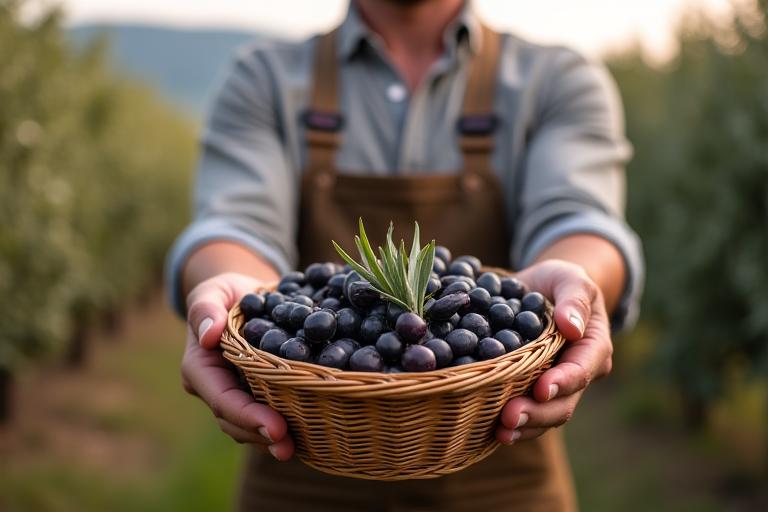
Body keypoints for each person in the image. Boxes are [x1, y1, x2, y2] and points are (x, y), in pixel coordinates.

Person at [167, 0, 643, 509]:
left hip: (503, 476)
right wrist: (227, 291)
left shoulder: (557, 79)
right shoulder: (263, 78)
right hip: (299, 470)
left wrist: (576, 279)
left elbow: (576, 218)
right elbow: (236, 225)